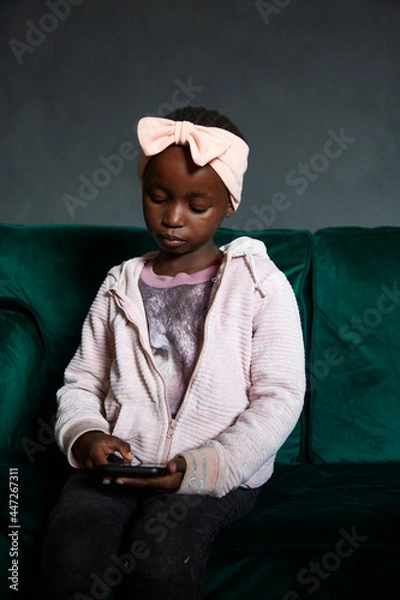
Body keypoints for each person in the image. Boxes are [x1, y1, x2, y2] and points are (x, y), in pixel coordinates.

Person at [38, 106, 306, 600]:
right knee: (73, 550)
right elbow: (82, 383)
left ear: (228, 204)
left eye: (197, 204)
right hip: (119, 466)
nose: (173, 218)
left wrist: (209, 466)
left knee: (162, 560)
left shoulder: (260, 284)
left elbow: (280, 395)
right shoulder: (119, 285)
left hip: (211, 470)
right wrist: (88, 435)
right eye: (157, 197)